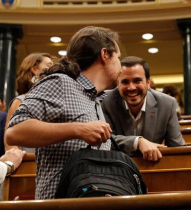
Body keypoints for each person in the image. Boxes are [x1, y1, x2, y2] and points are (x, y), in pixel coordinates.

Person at [5, 26, 122, 199]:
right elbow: (14, 132)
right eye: (118, 58)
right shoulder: (61, 82)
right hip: (59, 209)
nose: (121, 65)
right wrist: (79, 130)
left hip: (88, 207)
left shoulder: (95, 98)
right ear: (105, 54)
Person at [101, 56, 185, 161]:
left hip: (152, 165)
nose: (131, 87)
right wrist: (138, 142)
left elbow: (177, 147)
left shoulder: (167, 104)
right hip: (118, 168)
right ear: (118, 83)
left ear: (148, 83)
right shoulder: (105, 101)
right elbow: (105, 140)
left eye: (137, 81)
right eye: (125, 82)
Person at [4, 53, 54, 152]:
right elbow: (10, 145)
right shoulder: (20, 101)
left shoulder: (55, 100)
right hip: (28, 163)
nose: (53, 68)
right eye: (49, 65)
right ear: (34, 69)